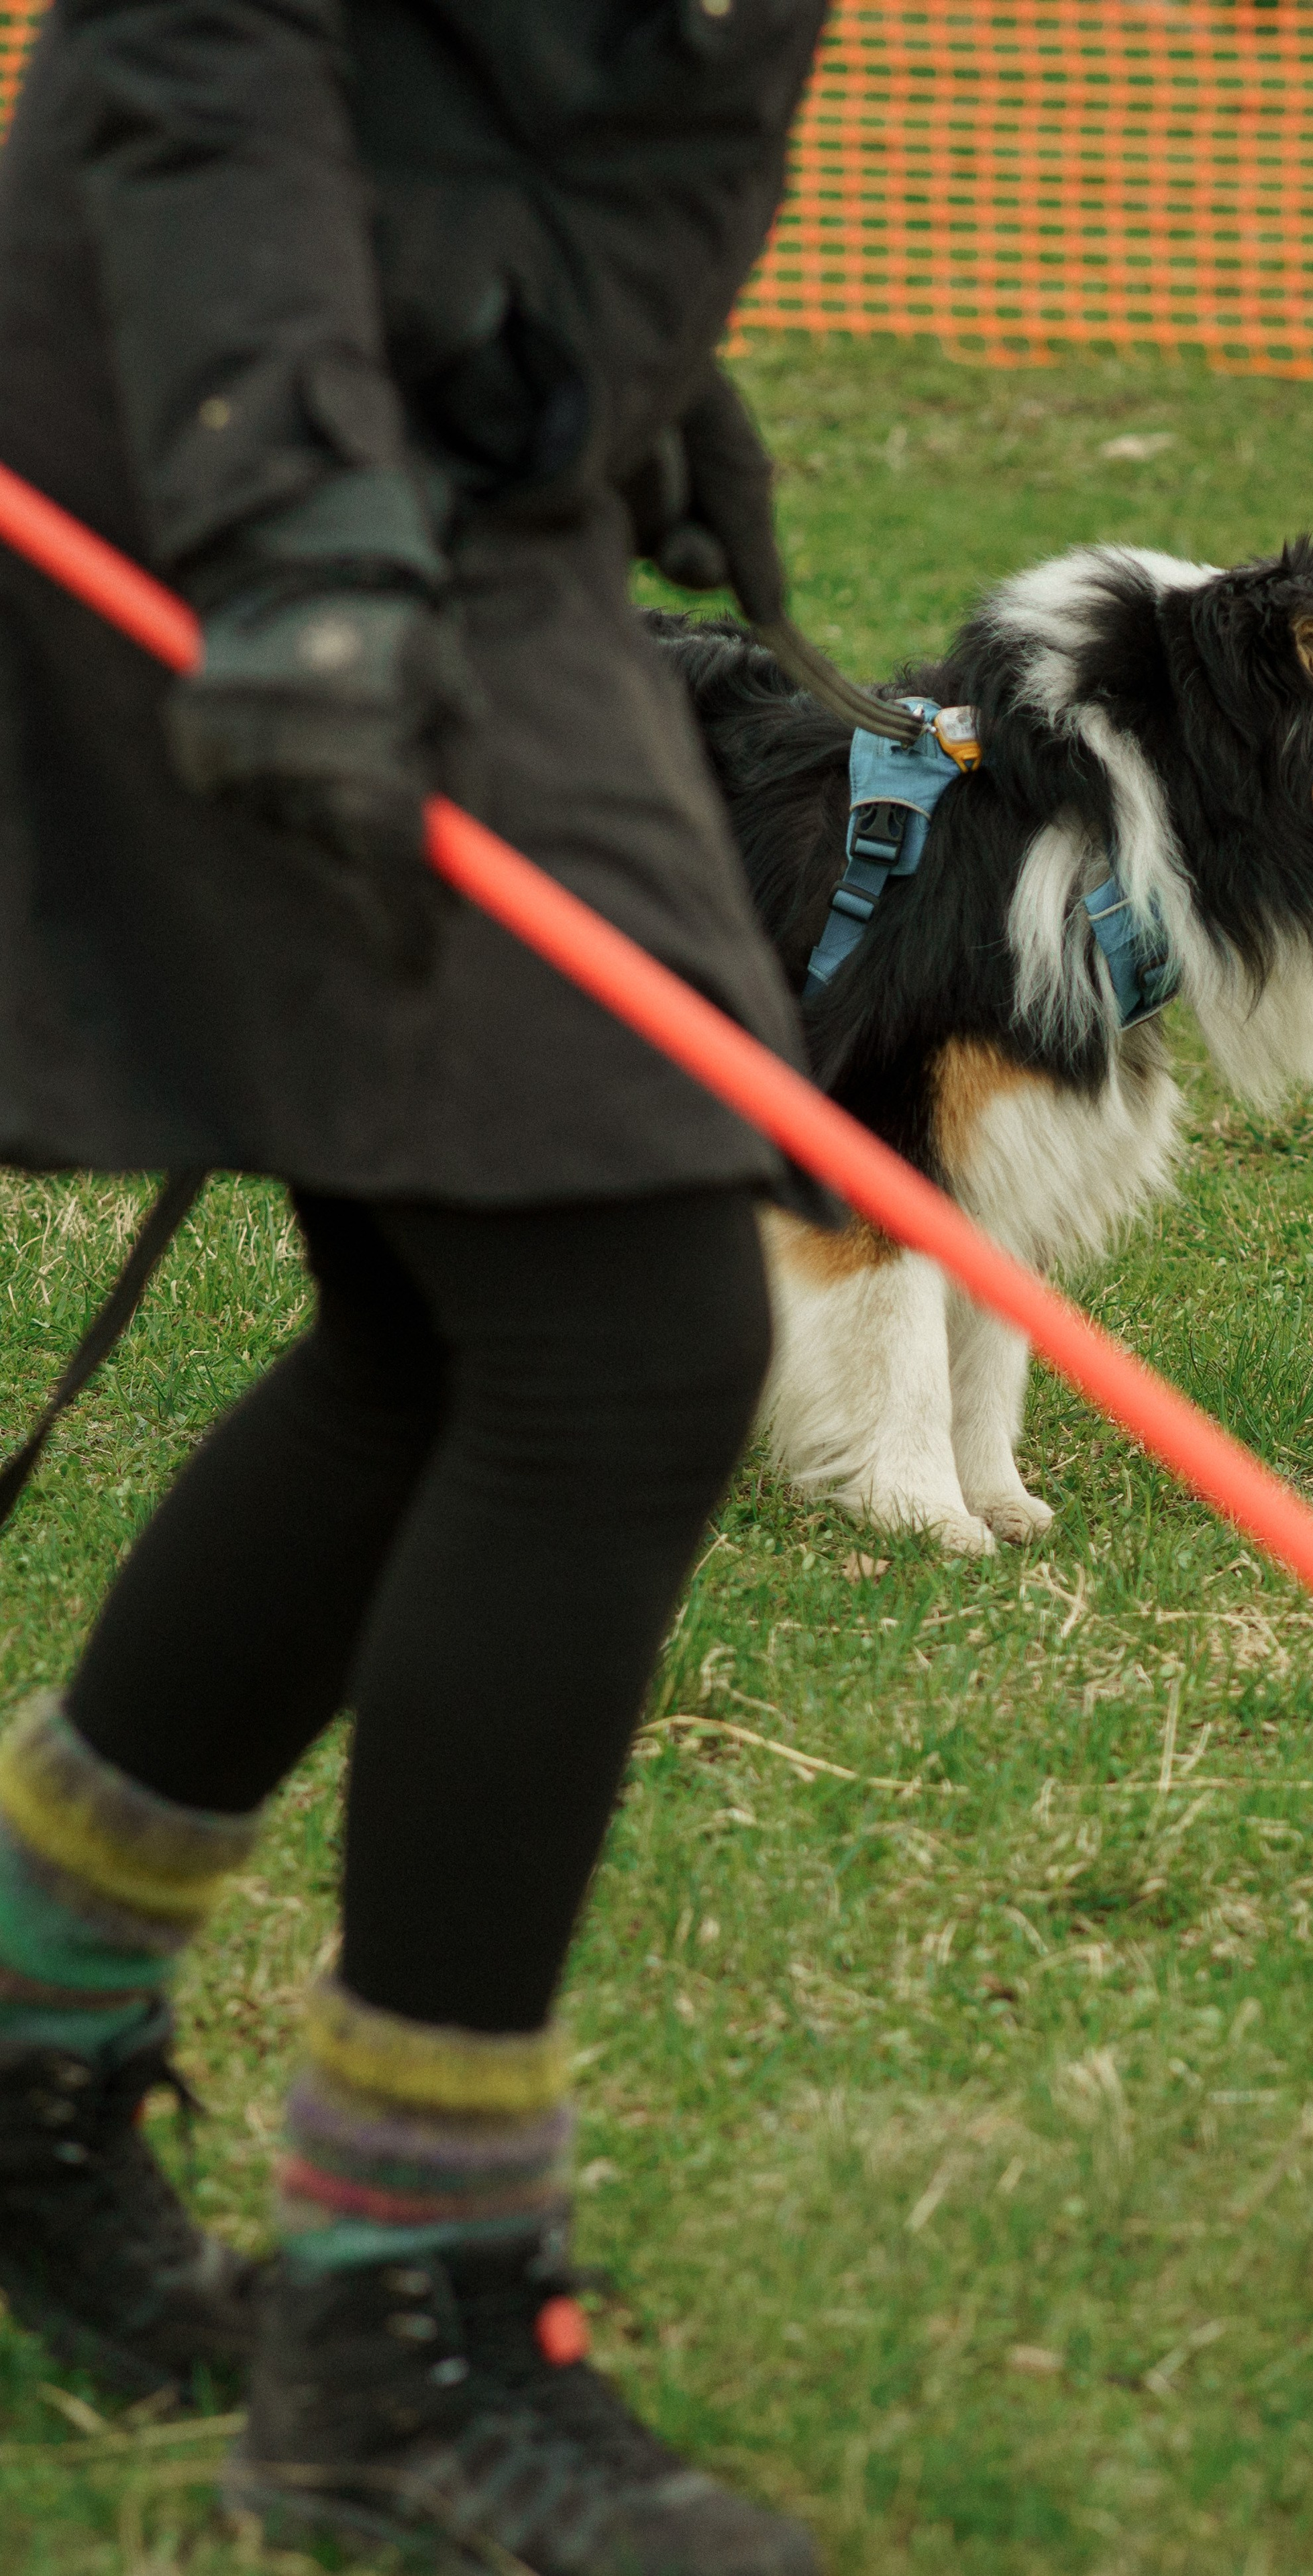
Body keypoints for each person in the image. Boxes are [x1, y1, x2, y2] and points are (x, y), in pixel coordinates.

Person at [0, 3, 831, 2568]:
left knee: (445, 1313)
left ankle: (25, 2056)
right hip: (252, 443)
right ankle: (407, 2316)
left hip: (465, 434)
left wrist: (615, 336)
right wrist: (290, 519)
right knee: (620, 1334)